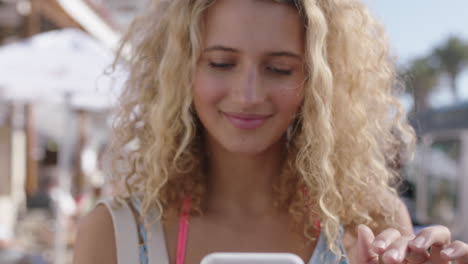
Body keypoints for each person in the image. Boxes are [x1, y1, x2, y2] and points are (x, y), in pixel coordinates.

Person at [73, 0, 468, 263]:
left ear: (318, 81)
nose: (248, 95)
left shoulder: (372, 221)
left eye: (279, 69)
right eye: (221, 63)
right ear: (180, 71)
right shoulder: (117, 236)